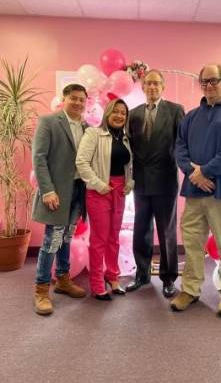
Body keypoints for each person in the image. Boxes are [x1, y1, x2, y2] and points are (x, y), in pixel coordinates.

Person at [170, 64, 221, 317]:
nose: (208, 86)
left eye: (213, 81)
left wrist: (204, 172)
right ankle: (190, 290)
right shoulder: (191, 117)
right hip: (195, 193)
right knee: (193, 245)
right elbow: (179, 149)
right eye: (204, 82)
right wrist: (194, 174)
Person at [126, 69, 185, 298]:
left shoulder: (175, 110)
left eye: (156, 84)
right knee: (141, 230)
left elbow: (182, 145)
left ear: (163, 87)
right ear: (142, 87)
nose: (152, 87)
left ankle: (169, 278)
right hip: (140, 183)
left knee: (167, 231)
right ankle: (141, 274)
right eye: (148, 83)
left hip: (165, 181)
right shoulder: (134, 114)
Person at [32, 84, 88, 315]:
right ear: (64, 99)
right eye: (73, 98)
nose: (77, 103)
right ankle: (41, 290)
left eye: (81, 100)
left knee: (66, 237)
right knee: (51, 241)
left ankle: (63, 280)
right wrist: (47, 190)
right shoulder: (49, 122)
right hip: (56, 192)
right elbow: (39, 158)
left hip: (78, 191)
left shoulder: (87, 127)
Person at [76, 99, 134, 301]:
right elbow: (81, 163)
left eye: (123, 113)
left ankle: (113, 277)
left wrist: (130, 181)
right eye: (115, 112)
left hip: (119, 191)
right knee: (99, 240)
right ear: (107, 113)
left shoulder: (126, 139)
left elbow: (128, 165)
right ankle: (97, 283)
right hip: (99, 191)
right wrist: (99, 184)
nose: (119, 116)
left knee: (114, 238)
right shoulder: (93, 133)